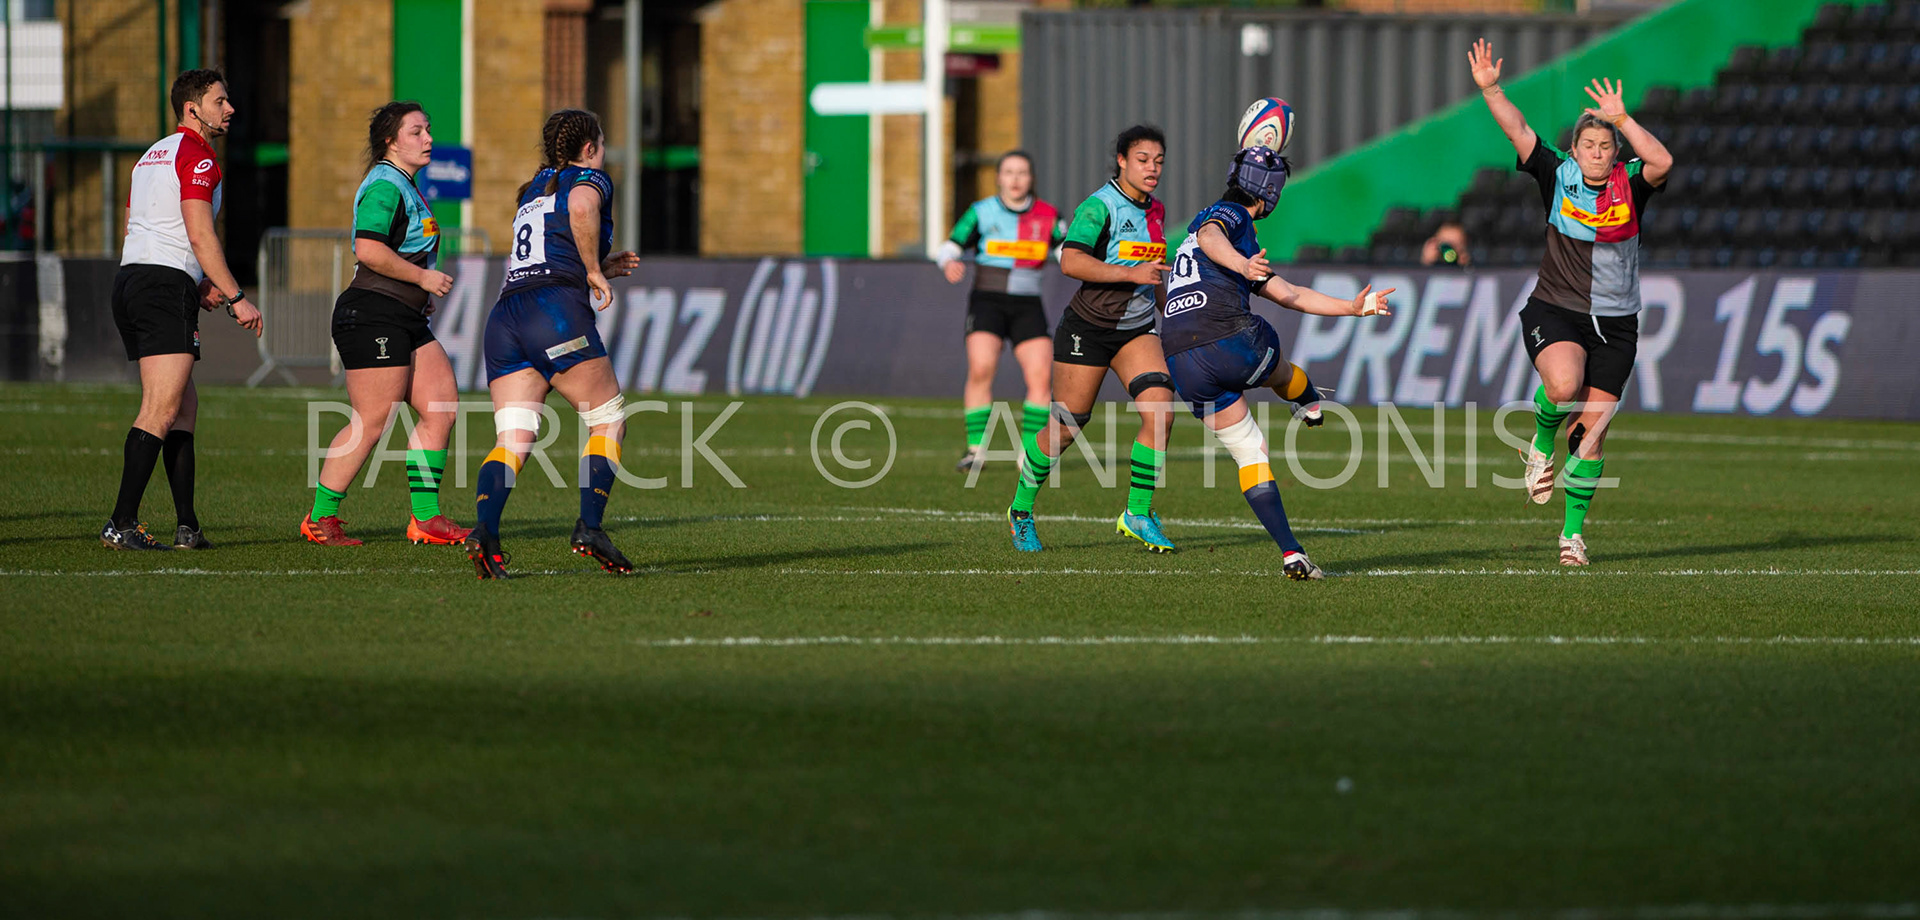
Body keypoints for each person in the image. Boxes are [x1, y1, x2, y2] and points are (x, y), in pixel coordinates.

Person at [1470, 38, 1672, 566]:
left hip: (1617, 325)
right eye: (1589, 145)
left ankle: (1571, 537)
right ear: (1575, 150)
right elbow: (1518, 129)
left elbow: (1663, 160)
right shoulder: (1556, 173)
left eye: (1606, 146)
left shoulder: (1632, 183)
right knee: (1562, 385)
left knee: (1590, 435)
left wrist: (1622, 118)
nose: (1597, 154)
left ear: (1615, 152)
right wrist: (1491, 88)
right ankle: (1541, 444)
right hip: (1556, 308)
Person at [1163, 147, 1393, 580]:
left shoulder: (1212, 241)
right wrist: (1241, 263)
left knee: (1250, 452)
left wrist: (1351, 307)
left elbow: (1290, 293)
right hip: (1227, 336)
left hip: (1179, 357)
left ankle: (1292, 553)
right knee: (1278, 368)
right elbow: (1212, 235)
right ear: (1269, 191)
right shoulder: (1230, 216)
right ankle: (1307, 399)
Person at [466, 109, 641, 579]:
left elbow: (548, 244)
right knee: (608, 420)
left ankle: (485, 532)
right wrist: (593, 270)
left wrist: (595, 264)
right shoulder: (589, 177)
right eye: (601, 144)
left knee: (513, 437)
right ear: (589, 148)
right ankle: (590, 527)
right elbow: (581, 209)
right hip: (553, 313)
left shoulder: (534, 188)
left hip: (506, 318)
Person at [101, 68, 262, 551]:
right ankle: (121, 523)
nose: (229, 109)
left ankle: (187, 527)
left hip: (134, 279)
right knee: (161, 408)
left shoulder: (152, 155)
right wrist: (235, 296)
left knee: (182, 407)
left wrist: (198, 281)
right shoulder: (198, 156)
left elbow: (137, 224)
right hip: (161, 287)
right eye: (219, 101)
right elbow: (199, 232)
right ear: (192, 109)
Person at [301, 101, 470, 547]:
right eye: (417, 131)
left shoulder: (404, 184)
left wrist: (417, 294)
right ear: (390, 142)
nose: (428, 138)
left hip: (401, 316)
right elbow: (369, 250)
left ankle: (426, 519)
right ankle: (320, 518)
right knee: (372, 420)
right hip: (372, 314)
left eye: (428, 129)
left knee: (440, 407)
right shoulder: (385, 183)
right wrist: (422, 279)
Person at [1005, 125, 1178, 554]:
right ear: (1121, 160)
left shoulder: (1156, 210)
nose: (1152, 168)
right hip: (1087, 329)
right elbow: (1070, 261)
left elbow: (1153, 272)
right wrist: (1129, 274)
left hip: (1136, 330)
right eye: (1143, 160)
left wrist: (1172, 313)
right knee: (1066, 428)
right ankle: (1020, 510)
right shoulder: (1099, 206)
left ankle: (1137, 512)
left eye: (1158, 161)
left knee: (1160, 411)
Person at [935, 150, 1064, 473]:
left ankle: (1030, 453)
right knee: (981, 368)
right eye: (1008, 172)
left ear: (1031, 178)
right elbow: (949, 247)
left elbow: (1068, 254)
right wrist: (948, 262)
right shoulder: (981, 212)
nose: (1015, 179)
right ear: (998, 178)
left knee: (1041, 376)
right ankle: (975, 450)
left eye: (1022, 172)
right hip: (988, 302)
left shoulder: (1049, 215)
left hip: (1028, 305)